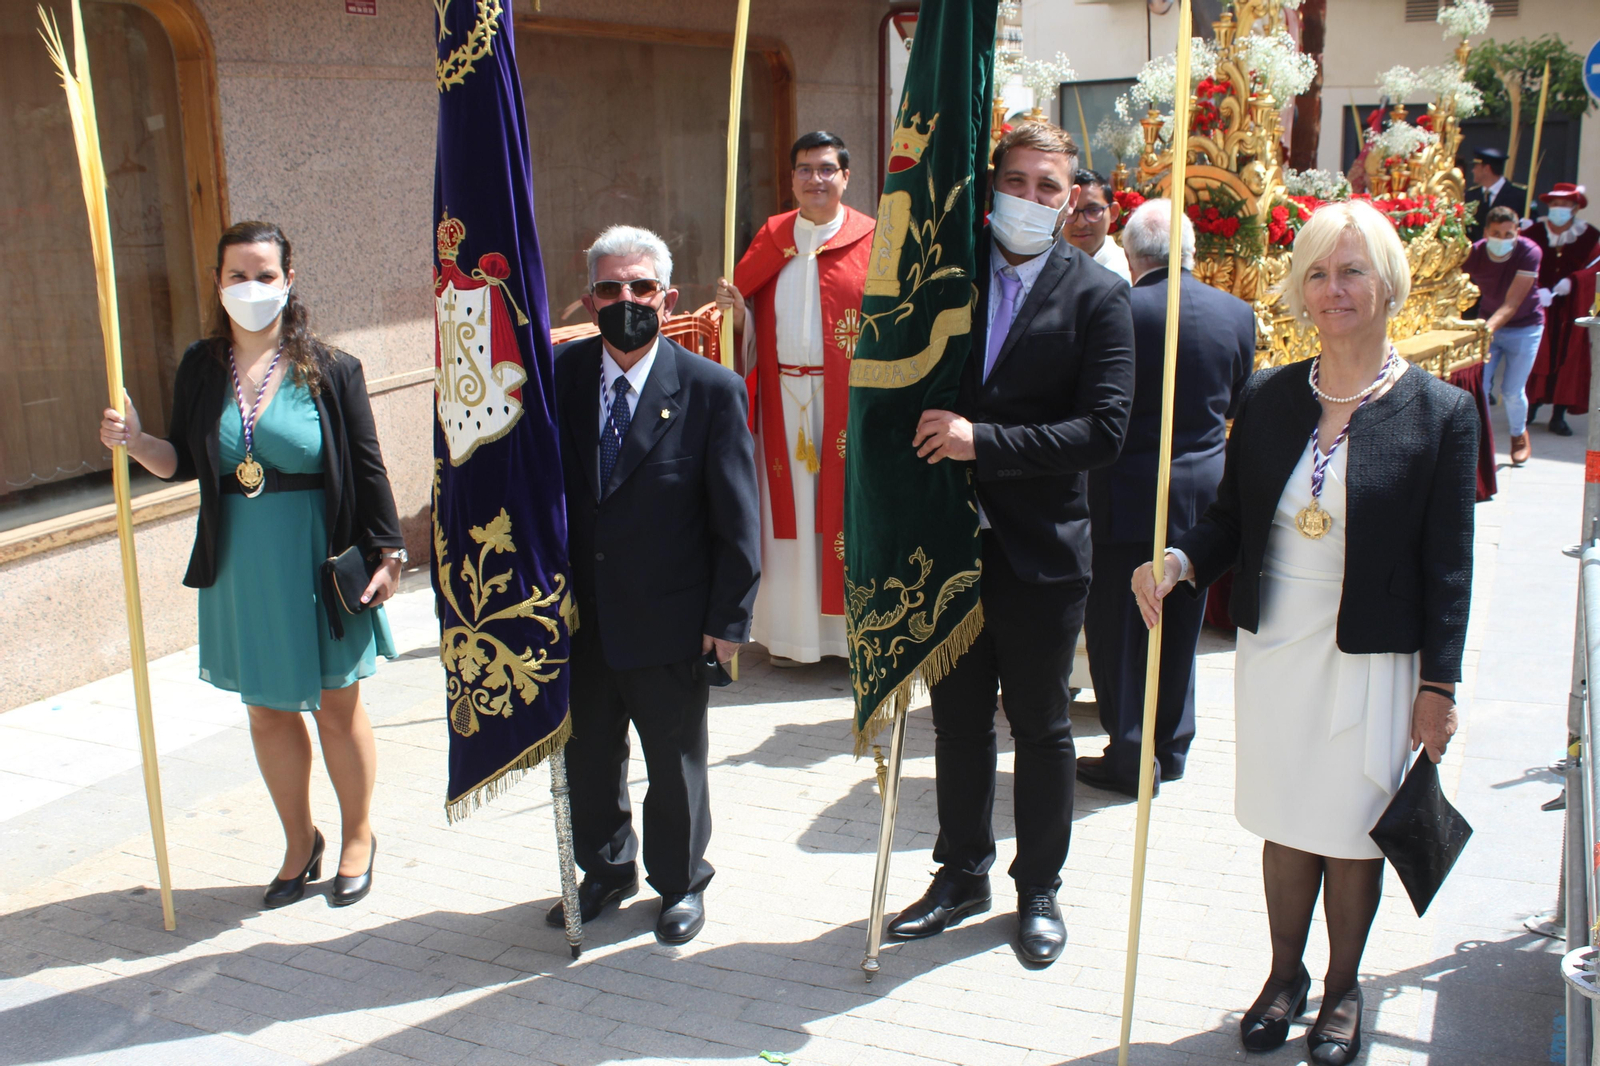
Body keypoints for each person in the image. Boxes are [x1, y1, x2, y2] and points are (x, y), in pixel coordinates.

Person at [1134, 200, 1475, 1065]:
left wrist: (1440, 686)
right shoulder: (1271, 397)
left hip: (1373, 652)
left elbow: (1450, 566)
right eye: (1318, 273)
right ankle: (1283, 977)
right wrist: (1178, 563)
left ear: (1389, 283)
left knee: (1352, 825)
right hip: (1279, 644)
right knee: (1289, 820)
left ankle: (1342, 988)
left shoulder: (1440, 413)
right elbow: (1232, 522)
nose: (1335, 289)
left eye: (1353, 270)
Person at [98, 220, 402, 909]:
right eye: (237, 275)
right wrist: (136, 440)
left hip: (318, 558)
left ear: (289, 281)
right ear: (217, 283)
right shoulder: (203, 368)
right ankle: (301, 842)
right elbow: (180, 461)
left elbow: (367, 463)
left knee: (335, 704)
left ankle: (359, 835)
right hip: (242, 559)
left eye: (265, 274)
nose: (251, 287)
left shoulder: (332, 368)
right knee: (266, 711)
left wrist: (390, 551)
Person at [890, 122, 1135, 966]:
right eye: (1017, 181)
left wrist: (981, 441)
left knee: (1039, 725)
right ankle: (962, 873)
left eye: (1048, 188)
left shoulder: (1098, 296)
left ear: (1071, 202)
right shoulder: (945, 281)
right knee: (957, 726)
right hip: (952, 547)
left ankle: (1039, 888)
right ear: (991, 185)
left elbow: (1103, 431)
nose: (1029, 199)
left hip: (1043, 553)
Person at [550, 225, 761, 945]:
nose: (626, 300)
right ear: (588, 299)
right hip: (581, 618)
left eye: (641, 287)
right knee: (588, 755)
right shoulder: (561, 382)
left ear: (667, 297)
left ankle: (680, 882)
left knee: (673, 762)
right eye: (610, 288)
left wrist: (728, 620)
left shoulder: (710, 390)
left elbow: (737, 518)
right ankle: (607, 870)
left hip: (671, 617)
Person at [1080, 200, 1253, 797]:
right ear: (1190, 254)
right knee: (1181, 622)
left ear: (1131, 255)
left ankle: (1132, 752)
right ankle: (1171, 745)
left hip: (1125, 491)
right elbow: (1236, 402)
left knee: (1120, 626)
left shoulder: (1115, 307)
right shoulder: (1235, 312)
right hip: (1203, 493)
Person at [715, 132, 874, 665]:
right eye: (804, 169)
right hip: (782, 402)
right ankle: (789, 636)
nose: (815, 179)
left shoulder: (872, 242)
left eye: (827, 169)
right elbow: (748, 325)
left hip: (844, 406)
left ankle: (841, 635)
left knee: (841, 518)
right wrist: (736, 315)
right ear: (792, 179)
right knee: (789, 519)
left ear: (846, 177)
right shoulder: (771, 237)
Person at [1463, 205, 1542, 464]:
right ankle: (1482, 442)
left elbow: (1512, 303)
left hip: (1525, 327)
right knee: (1480, 385)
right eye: (1496, 233)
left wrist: (1485, 329)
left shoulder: (1529, 252)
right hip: (1488, 324)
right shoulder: (1475, 252)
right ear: (1486, 232)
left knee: (1511, 390)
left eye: (1509, 234)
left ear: (1518, 232)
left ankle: (1518, 434)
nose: (1503, 239)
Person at [1526, 184, 1598, 436]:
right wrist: (1537, 289)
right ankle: (1531, 406)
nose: (1559, 209)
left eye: (1565, 205)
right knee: (1536, 354)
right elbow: (1522, 264)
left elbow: (1594, 270)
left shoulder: (1590, 236)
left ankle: (1558, 415)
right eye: (1555, 204)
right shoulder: (1533, 232)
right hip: (1538, 306)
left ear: (1575, 208)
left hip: (1570, 309)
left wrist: (1575, 281)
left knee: (1567, 357)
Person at [1062, 169, 1131, 283]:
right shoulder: (1045, 271)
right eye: (1071, 211)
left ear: (1113, 212)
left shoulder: (1130, 270)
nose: (1081, 223)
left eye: (1093, 210)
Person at [1463, 147, 1529, 243]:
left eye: (1476, 166)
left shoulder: (1519, 195)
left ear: (1486, 169)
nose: (1473, 171)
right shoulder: (1470, 196)